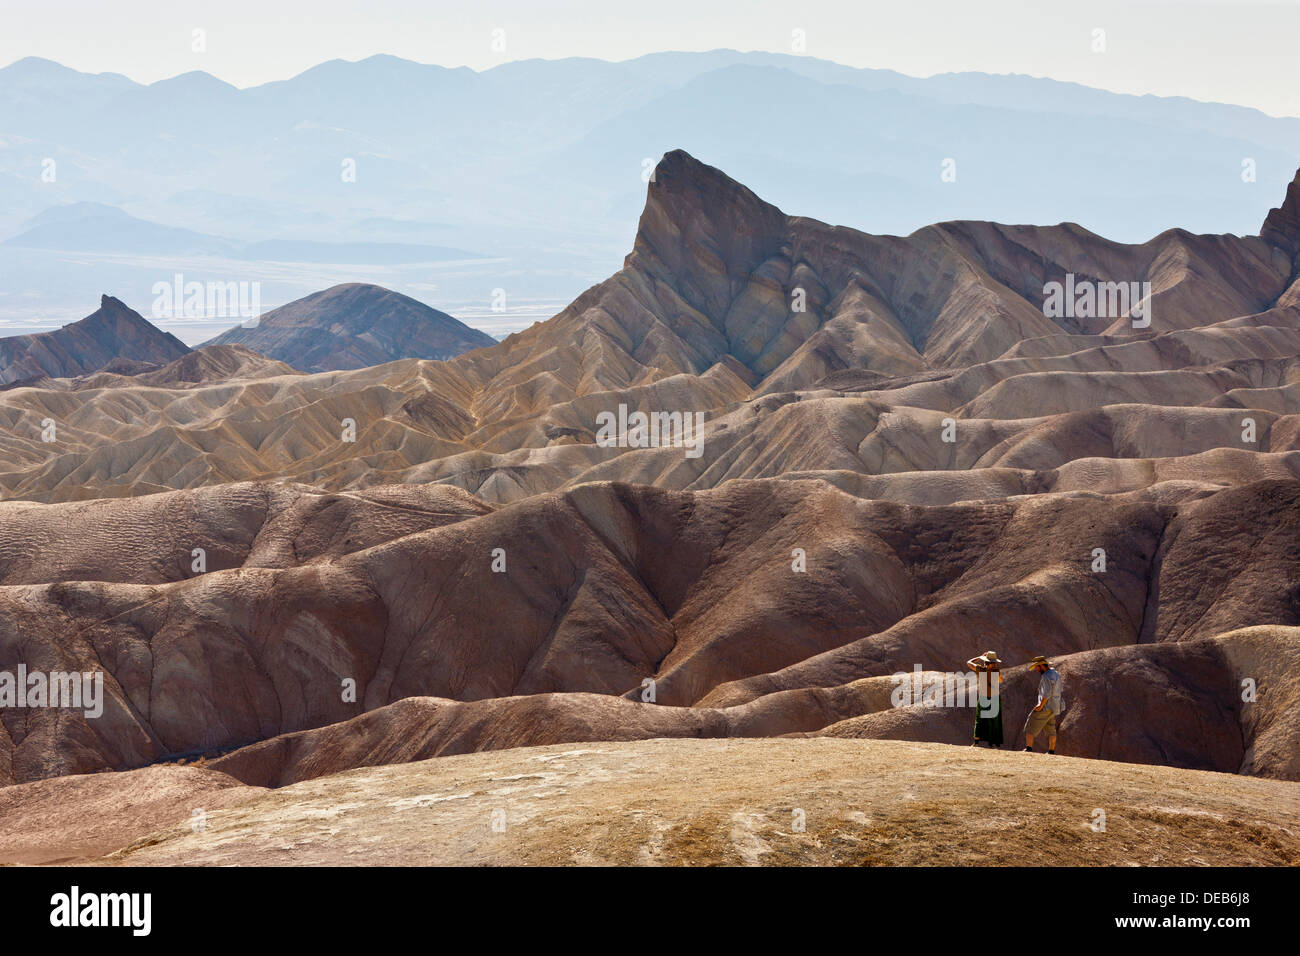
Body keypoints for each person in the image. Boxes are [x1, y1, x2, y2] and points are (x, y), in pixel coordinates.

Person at [1022, 655, 1062, 754]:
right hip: (1055, 706)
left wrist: (1041, 705)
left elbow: (1047, 693)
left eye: (1037, 667)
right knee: (1051, 728)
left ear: (1042, 666)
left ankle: (1029, 748)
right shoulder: (1055, 673)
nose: (1036, 669)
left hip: (1046, 706)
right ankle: (1051, 751)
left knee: (1030, 725)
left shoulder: (1046, 676)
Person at [965, 651, 1003, 748]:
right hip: (995, 697)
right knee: (994, 720)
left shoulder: (981, 670)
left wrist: (980, 657)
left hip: (983, 697)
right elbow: (1000, 680)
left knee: (979, 719)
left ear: (986, 662)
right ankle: (993, 744)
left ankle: (976, 742)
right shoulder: (996, 671)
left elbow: (969, 662)